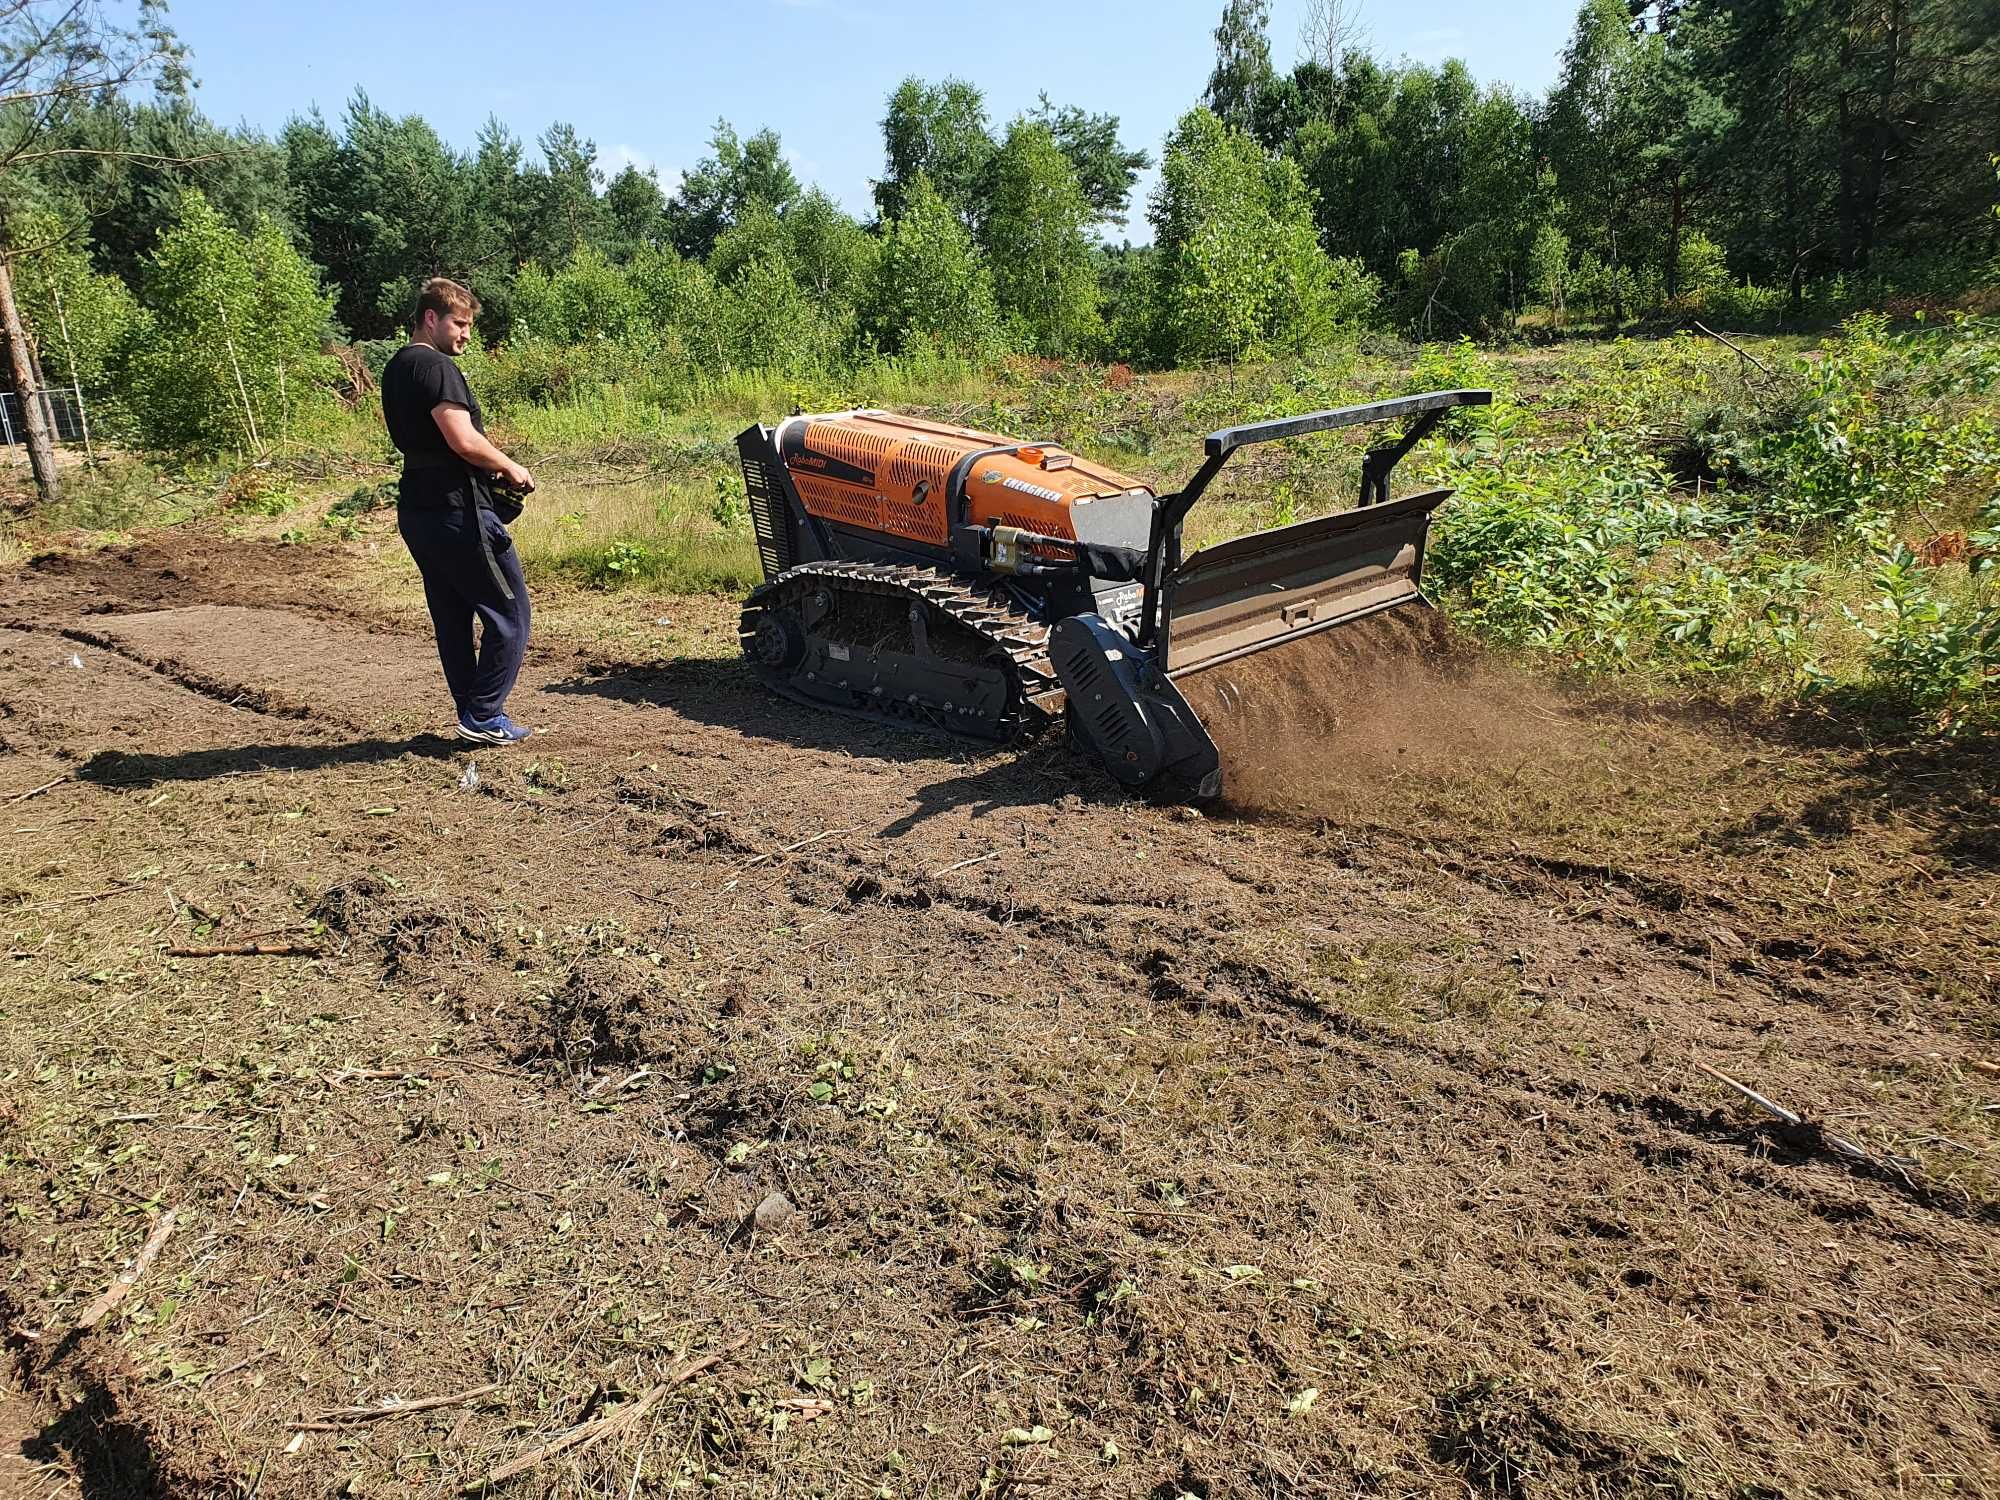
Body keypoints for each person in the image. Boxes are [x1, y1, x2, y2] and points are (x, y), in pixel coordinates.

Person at [381, 278, 538, 745]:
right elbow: (463, 440)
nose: (466, 334)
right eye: (460, 323)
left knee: (452, 616)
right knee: (511, 613)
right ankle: (484, 715)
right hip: (457, 509)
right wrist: (512, 467)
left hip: (418, 507)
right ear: (431, 318)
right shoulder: (436, 366)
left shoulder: (396, 368)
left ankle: (473, 712)